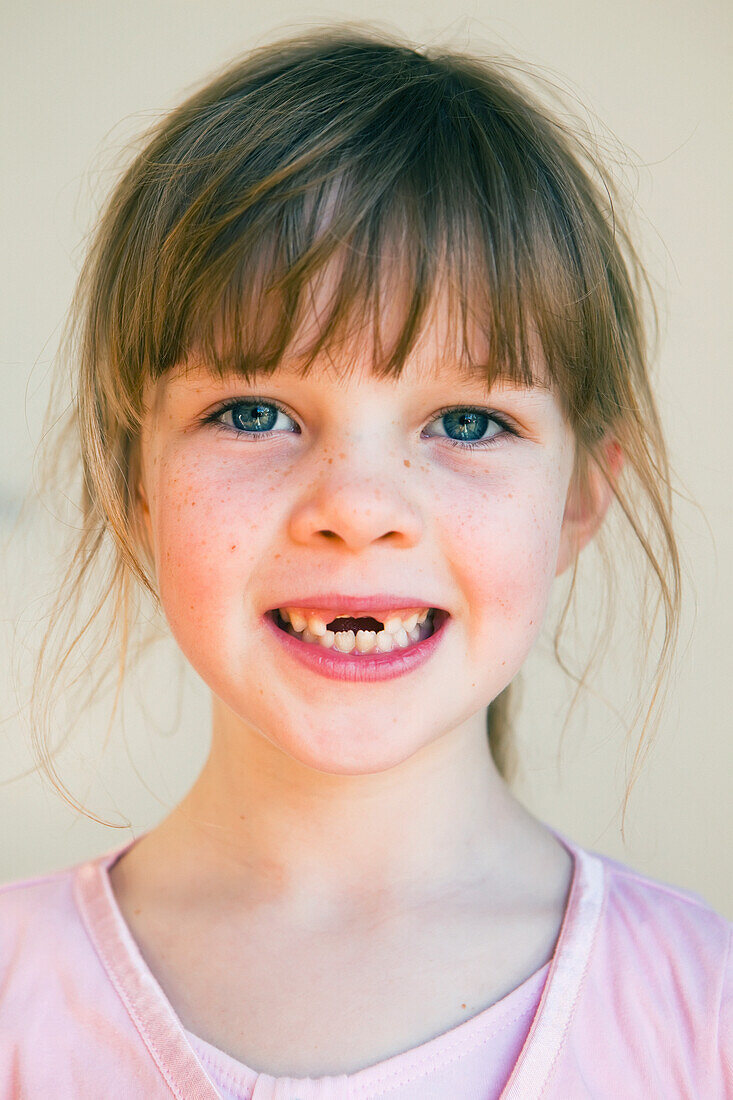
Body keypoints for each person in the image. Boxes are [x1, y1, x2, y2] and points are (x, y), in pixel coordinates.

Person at [0, 25, 730, 1099]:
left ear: (581, 493)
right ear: (134, 478)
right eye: (253, 411)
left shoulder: (700, 1013)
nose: (359, 508)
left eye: (468, 422)